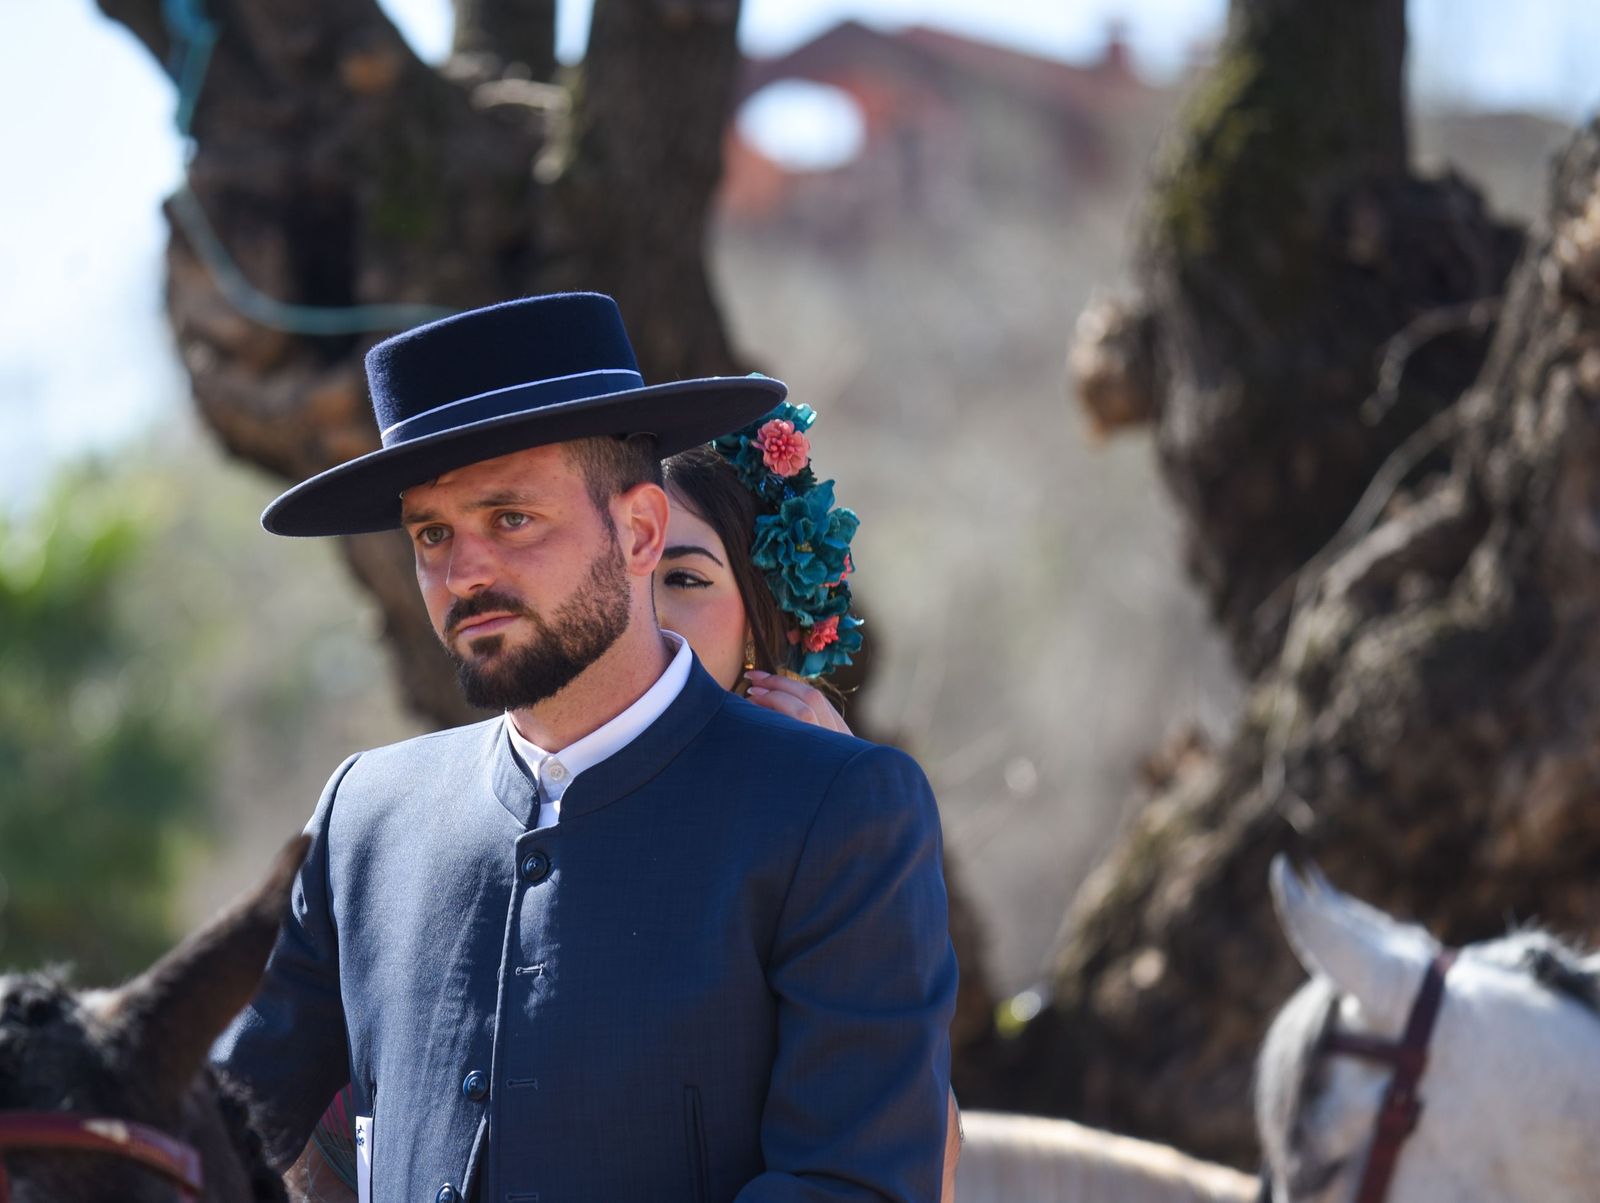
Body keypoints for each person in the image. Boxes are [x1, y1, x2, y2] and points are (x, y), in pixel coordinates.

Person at [217, 292, 958, 1203]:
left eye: (510, 518)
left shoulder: (833, 807)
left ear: (641, 531)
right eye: (433, 533)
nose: (463, 572)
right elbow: (209, 1131)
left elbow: (850, 1185)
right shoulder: (363, 816)